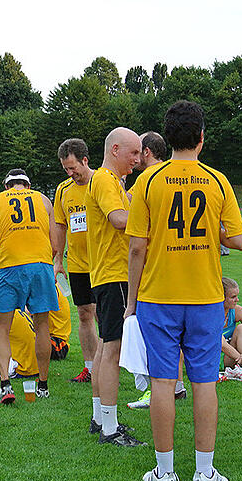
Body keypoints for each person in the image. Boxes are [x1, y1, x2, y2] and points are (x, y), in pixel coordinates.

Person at [128, 101, 242, 481]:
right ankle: (204, 473)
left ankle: (164, 473)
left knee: (163, 382)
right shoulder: (217, 181)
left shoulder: (148, 180)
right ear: (201, 137)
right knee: (204, 382)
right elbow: (239, 240)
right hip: (205, 296)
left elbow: (137, 247)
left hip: (158, 295)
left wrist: (131, 303)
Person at [85, 127, 142, 446]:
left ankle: (100, 418)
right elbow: (119, 219)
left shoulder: (111, 181)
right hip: (115, 274)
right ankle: (109, 427)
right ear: (115, 149)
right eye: (133, 153)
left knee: (106, 347)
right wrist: (153, 220)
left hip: (107, 274)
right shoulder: (105, 179)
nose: (137, 159)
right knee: (112, 350)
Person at [125, 131, 188, 408]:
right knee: (181, 335)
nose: (135, 158)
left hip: (156, 270)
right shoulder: (180, 174)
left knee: (159, 339)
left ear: (147, 152)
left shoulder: (147, 181)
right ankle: (179, 385)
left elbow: (135, 238)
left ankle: (157, 389)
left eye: (137, 151)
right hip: (187, 268)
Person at [0, 168, 57, 404]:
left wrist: (1, 262)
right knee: (42, 325)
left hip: (10, 266)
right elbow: (55, 245)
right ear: (28, 185)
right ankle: (43, 385)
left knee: (2, 327)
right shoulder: (43, 200)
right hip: (41, 264)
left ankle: (5, 384)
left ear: (7, 186)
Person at [52, 138, 98, 383]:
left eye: (73, 168)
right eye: (65, 169)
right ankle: (90, 368)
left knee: (106, 317)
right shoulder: (63, 190)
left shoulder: (103, 183)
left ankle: (113, 365)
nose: (70, 173)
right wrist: (58, 260)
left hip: (104, 264)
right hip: (78, 265)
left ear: (85, 160)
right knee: (84, 314)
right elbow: (60, 226)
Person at [48, 283, 71, 360]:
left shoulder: (47, 287)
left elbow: (27, 312)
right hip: (57, 343)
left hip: (58, 344)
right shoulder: (55, 284)